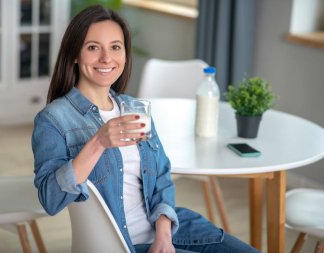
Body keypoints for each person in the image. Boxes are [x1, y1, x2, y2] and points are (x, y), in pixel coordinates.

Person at [31, 4, 260, 253]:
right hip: (120, 243)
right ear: (75, 54)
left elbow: (161, 178)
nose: (106, 58)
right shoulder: (54, 120)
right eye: (93, 47)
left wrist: (163, 236)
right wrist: (98, 142)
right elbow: (50, 200)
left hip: (171, 228)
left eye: (115, 47)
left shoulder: (133, 107)